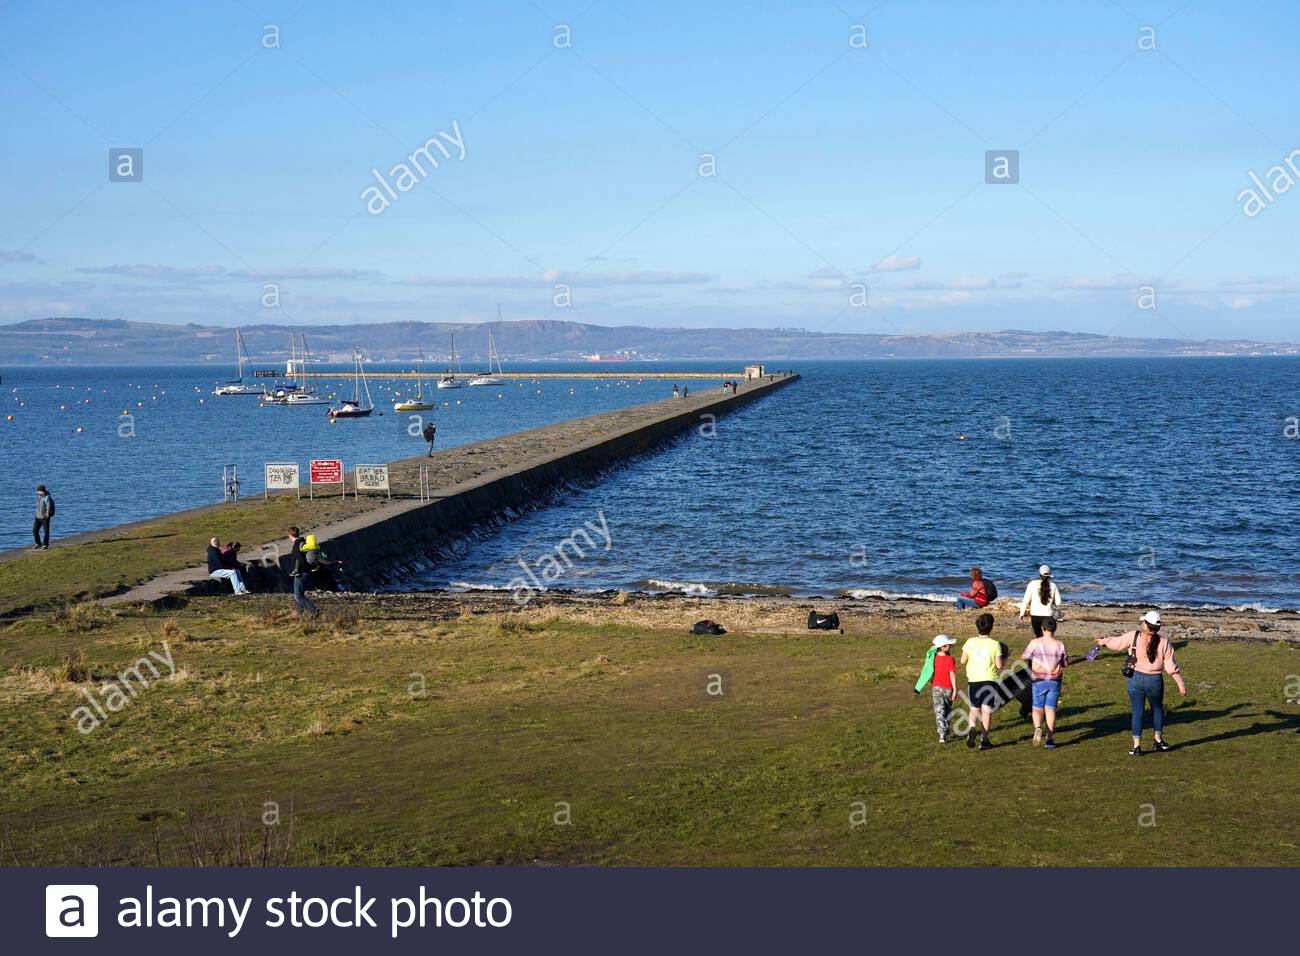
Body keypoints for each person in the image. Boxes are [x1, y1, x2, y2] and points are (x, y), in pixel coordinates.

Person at [1095, 611, 1187, 756]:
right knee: (1157, 709)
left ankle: (1136, 746)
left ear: (1145, 625)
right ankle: (1158, 740)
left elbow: (1117, 643)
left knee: (1137, 712)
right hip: (1155, 680)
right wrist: (1180, 684)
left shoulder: (1134, 636)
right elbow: (1170, 667)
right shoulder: (1164, 642)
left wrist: (1104, 641)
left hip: (1135, 679)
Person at [1021, 617, 1068, 748]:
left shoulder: (1035, 642)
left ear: (1042, 628)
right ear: (1055, 629)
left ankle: (1037, 728)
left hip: (1038, 679)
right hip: (1054, 680)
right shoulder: (1060, 644)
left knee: (1037, 708)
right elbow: (1065, 663)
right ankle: (1050, 739)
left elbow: (1024, 656)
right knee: (1051, 709)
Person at [961, 613, 1006, 750]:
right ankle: (984, 740)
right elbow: (999, 665)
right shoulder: (995, 644)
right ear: (991, 627)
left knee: (974, 708)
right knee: (986, 710)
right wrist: (1006, 657)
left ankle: (972, 728)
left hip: (974, 679)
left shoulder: (970, 642)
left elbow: (962, 661)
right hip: (989, 679)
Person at [915, 634, 958, 743]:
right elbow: (952, 675)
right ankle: (945, 732)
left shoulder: (933, 658)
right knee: (947, 711)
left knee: (939, 712)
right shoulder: (950, 659)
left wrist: (932, 650)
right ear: (943, 647)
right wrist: (955, 690)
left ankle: (942, 734)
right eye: (949, 645)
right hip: (948, 689)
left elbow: (928, 656)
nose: (951, 647)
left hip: (936, 688)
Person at [1018, 564, 1064, 636]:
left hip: (1035, 616)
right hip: (1048, 615)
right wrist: (1052, 602)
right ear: (1049, 575)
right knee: (1048, 637)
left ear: (1040, 574)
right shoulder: (1053, 585)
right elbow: (1058, 602)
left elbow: (1025, 601)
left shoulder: (1032, 584)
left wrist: (1022, 613)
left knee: (1038, 637)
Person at [32, 484, 54, 550]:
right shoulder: (40, 497)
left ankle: (45, 545)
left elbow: (48, 507)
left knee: (46, 531)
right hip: (37, 516)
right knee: (34, 530)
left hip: (45, 517)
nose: (38, 492)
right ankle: (38, 543)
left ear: (42, 491)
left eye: (39, 491)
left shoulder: (47, 497)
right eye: (37, 491)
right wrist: (36, 514)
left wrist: (47, 515)